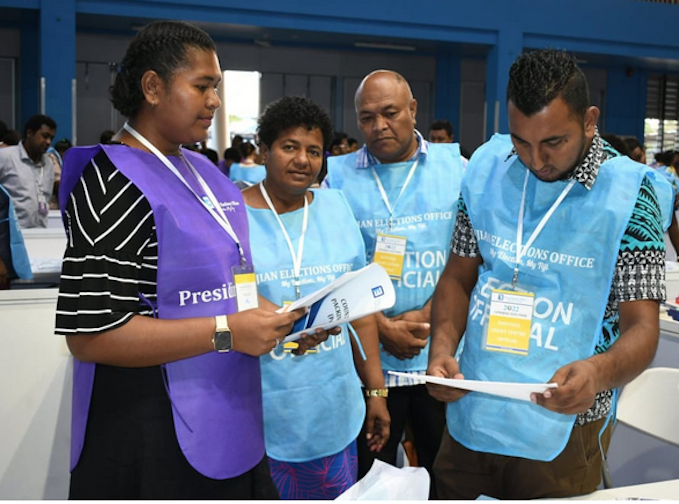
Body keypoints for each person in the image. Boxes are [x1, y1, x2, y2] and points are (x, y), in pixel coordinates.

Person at [54, 20, 334, 500]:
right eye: (202, 86)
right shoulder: (109, 182)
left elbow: (222, 281)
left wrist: (275, 316)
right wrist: (227, 330)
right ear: (153, 87)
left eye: (217, 87)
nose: (215, 101)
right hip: (149, 425)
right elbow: (90, 335)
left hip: (227, 411)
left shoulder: (204, 171)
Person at [427, 49, 673, 500]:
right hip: (476, 408)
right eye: (521, 141)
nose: (535, 160)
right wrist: (442, 347)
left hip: (566, 423)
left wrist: (597, 372)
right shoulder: (486, 169)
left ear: (589, 120)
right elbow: (458, 276)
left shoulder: (630, 197)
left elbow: (643, 329)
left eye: (553, 142)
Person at [242, 95, 390, 499]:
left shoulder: (335, 207)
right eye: (289, 147)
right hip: (263, 409)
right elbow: (229, 301)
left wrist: (375, 390)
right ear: (264, 150)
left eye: (314, 151)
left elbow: (359, 311)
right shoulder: (233, 217)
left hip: (333, 407)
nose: (303, 160)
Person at [324, 69, 464, 496]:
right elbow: (330, 267)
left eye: (389, 113)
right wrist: (380, 327)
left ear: (413, 110)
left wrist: (432, 315)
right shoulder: (337, 178)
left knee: (445, 478)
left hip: (439, 357)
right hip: (370, 366)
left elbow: (473, 258)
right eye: (366, 117)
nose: (378, 126)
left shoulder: (457, 169)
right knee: (373, 481)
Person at [0, 114, 57, 228]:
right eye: (45, 136)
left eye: (51, 138)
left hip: (40, 233)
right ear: (29, 133)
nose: (48, 142)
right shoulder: (5, 157)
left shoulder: (49, 164)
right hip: (11, 233)